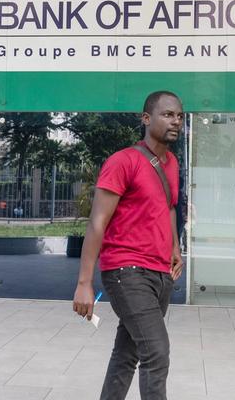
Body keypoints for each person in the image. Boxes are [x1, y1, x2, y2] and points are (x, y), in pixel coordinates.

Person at [73, 91, 184, 400]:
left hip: (160, 273)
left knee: (128, 353)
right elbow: (97, 222)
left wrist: (175, 247)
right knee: (157, 352)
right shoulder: (123, 162)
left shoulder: (172, 164)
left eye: (179, 116)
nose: (176, 121)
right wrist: (84, 283)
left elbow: (169, 206)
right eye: (167, 114)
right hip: (127, 271)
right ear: (146, 119)